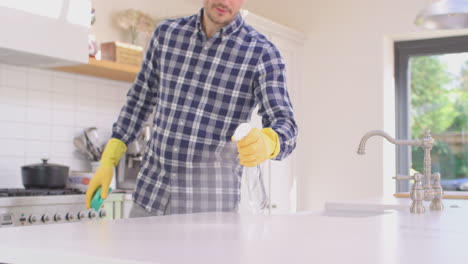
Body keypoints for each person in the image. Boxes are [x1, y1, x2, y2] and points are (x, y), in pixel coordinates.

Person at [85, 0, 298, 217]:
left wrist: (268, 142)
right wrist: (108, 160)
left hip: (210, 211)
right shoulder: (166, 35)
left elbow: (287, 126)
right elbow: (139, 101)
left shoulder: (262, 53)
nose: (224, 1)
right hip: (149, 198)